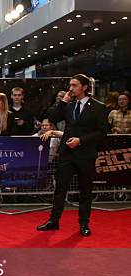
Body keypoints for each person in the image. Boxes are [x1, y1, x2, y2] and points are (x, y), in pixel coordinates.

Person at [37, 74, 108, 237]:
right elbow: (53, 118)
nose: (70, 88)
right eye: (70, 85)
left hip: (85, 155)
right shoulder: (68, 106)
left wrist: (80, 140)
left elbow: (102, 133)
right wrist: (63, 101)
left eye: (74, 85)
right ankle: (53, 221)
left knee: (85, 190)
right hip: (66, 154)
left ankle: (84, 223)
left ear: (84, 87)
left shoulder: (99, 107)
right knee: (60, 189)